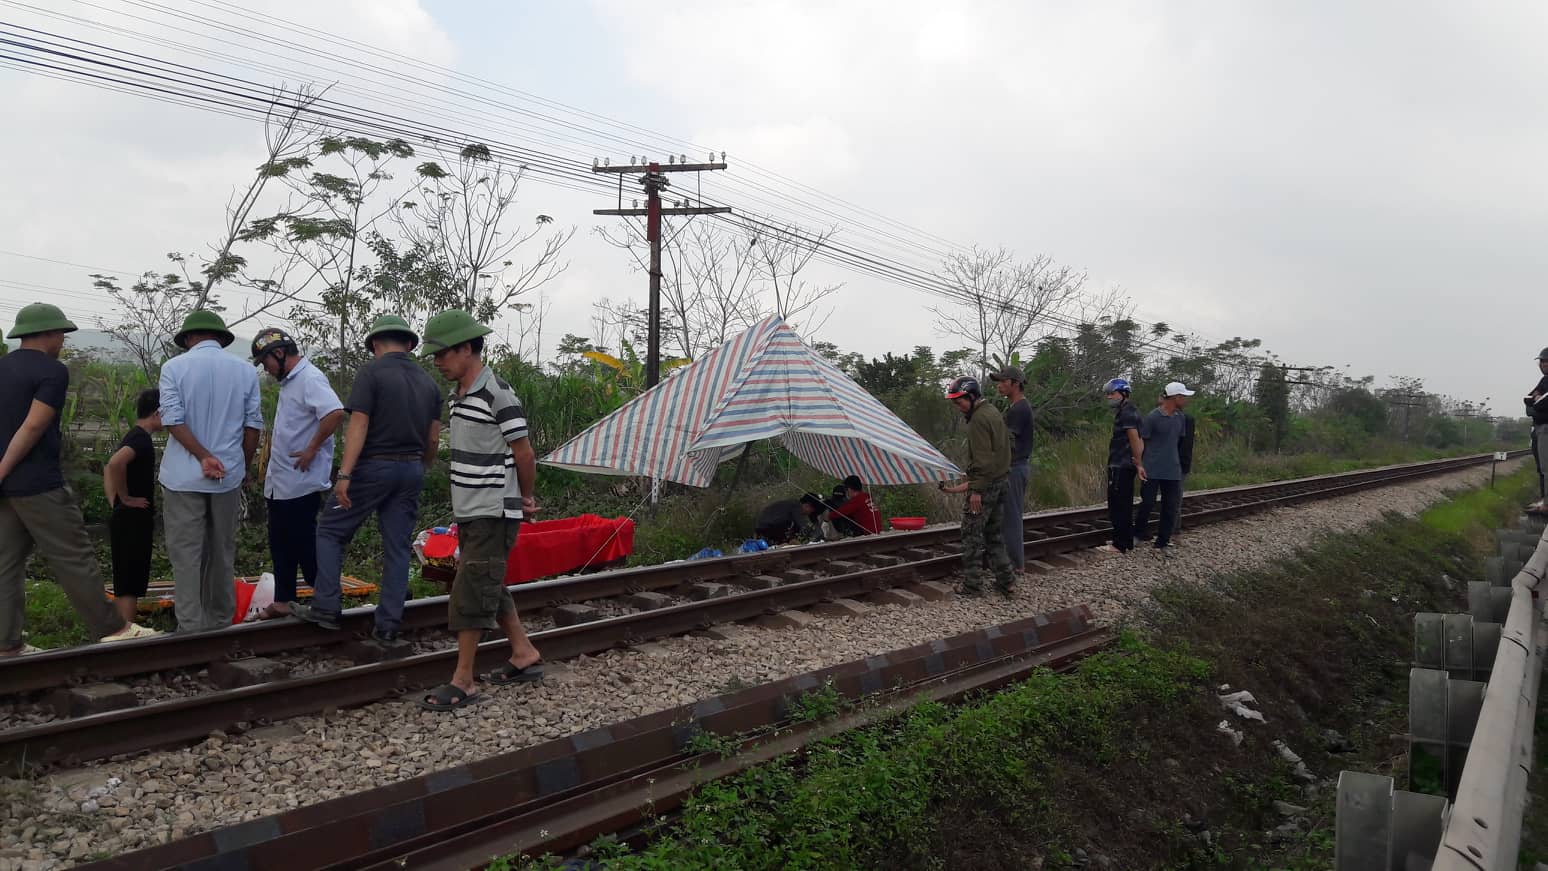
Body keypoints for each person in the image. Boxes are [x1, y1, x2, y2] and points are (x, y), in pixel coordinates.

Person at [0, 303, 160, 654]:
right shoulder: (52, 371)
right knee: (75, 556)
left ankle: (6, 643)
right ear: (49, 333)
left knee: (6, 565)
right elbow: (33, 426)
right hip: (38, 483)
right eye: (61, 333)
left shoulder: (2, 368)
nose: (62, 340)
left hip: (6, 489)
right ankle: (114, 629)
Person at [417, 309, 542, 711]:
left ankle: (464, 680)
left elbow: (524, 453)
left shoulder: (497, 394)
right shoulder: (462, 396)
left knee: (470, 590)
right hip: (471, 509)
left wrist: (524, 501)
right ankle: (523, 653)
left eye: (443, 354)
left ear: (467, 349)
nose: (438, 362)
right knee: (487, 581)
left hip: (492, 509)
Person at [289, 316, 442, 639]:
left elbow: (358, 424)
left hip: (373, 467)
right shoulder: (429, 383)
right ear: (410, 345)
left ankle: (326, 607)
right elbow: (433, 439)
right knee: (398, 548)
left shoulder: (372, 372)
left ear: (375, 344)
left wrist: (344, 474)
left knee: (330, 531)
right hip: (411, 468)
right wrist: (419, 467)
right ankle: (387, 626)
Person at [158, 310, 262, 632]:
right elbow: (253, 426)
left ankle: (190, 628)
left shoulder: (174, 367)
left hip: (181, 478)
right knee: (222, 553)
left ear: (189, 339)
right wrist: (241, 466)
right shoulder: (245, 371)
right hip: (227, 477)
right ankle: (220, 624)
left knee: (186, 556)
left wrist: (202, 456)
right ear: (221, 338)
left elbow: (172, 419)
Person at [251, 328, 344, 609]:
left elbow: (334, 412)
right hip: (282, 483)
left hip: (301, 482)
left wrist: (312, 448)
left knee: (305, 545)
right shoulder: (291, 382)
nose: (266, 370)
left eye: (265, 362)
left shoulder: (309, 378)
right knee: (281, 543)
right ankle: (283, 600)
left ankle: (328, 599)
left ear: (278, 354)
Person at [940, 376, 1017, 596]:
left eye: (961, 401)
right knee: (994, 535)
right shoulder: (992, 411)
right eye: (955, 402)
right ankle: (1007, 581)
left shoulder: (978, 420)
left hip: (986, 486)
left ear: (972, 396)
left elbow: (983, 461)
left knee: (971, 536)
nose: (958, 406)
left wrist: (976, 491)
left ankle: (972, 585)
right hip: (1001, 481)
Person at [103, 388, 162, 624]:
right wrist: (125, 499)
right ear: (158, 413)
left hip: (126, 517)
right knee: (130, 580)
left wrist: (114, 500)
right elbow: (116, 463)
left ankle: (122, 628)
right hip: (133, 519)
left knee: (126, 577)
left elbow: (109, 467)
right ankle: (126, 633)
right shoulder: (140, 438)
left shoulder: (133, 435)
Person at [1134, 382, 1194, 551]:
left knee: (1171, 506)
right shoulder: (1153, 417)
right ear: (1176, 398)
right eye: (1184, 397)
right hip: (1152, 468)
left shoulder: (1180, 418)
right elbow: (1141, 441)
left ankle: (1163, 541)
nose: (1186, 400)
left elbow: (1179, 441)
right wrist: (1139, 464)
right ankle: (1137, 534)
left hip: (1173, 470)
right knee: (1147, 503)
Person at [990, 366, 1033, 571]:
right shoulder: (1015, 407)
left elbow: (1008, 443)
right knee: (1006, 516)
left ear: (1015, 384)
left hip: (1015, 468)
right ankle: (1007, 561)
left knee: (1012, 518)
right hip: (1013, 467)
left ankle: (1015, 565)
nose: (999, 385)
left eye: (1003, 381)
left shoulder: (1019, 409)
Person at [1096, 377, 1145, 554]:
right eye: (1107, 394)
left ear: (1123, 393)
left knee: (1119, 505)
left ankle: (1120, 544)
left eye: (1112, 393)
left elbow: (1135, 438)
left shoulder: (1128, 412)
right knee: (1121, 503)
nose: (1109, 397)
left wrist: (1138, 461)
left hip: (1122, 464)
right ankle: (1124, 540)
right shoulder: (1127, 410)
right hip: (1121, 464)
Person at [1526, 347, 1548, 512]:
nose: (1543, 364)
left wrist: (1537, 401)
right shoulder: (1543, 381)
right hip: (1539, 427)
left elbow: (1541, 403)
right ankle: (1544, 499)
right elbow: (1528, 399)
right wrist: (1536, 400)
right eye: (1541, 361)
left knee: (1546, 467)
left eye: (1546, 361)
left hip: (1546, 428)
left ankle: (1546, 504)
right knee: (1541, 466)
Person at [756, 494, 824, 543]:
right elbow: (803, 526)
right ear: (807, 506)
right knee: (797, 532)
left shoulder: (792, 504)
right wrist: (817, 536)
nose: (809, 513)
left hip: (764, 528)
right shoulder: (796, 506)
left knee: (794, 530)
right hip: (767, 529)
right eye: (812, 510)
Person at [1173, 404, 1197, 537]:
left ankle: (1174, 529)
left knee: (1175, 499)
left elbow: (1186, 445)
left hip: (1179, 464)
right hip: (1168, 464)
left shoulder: (1187, 420)